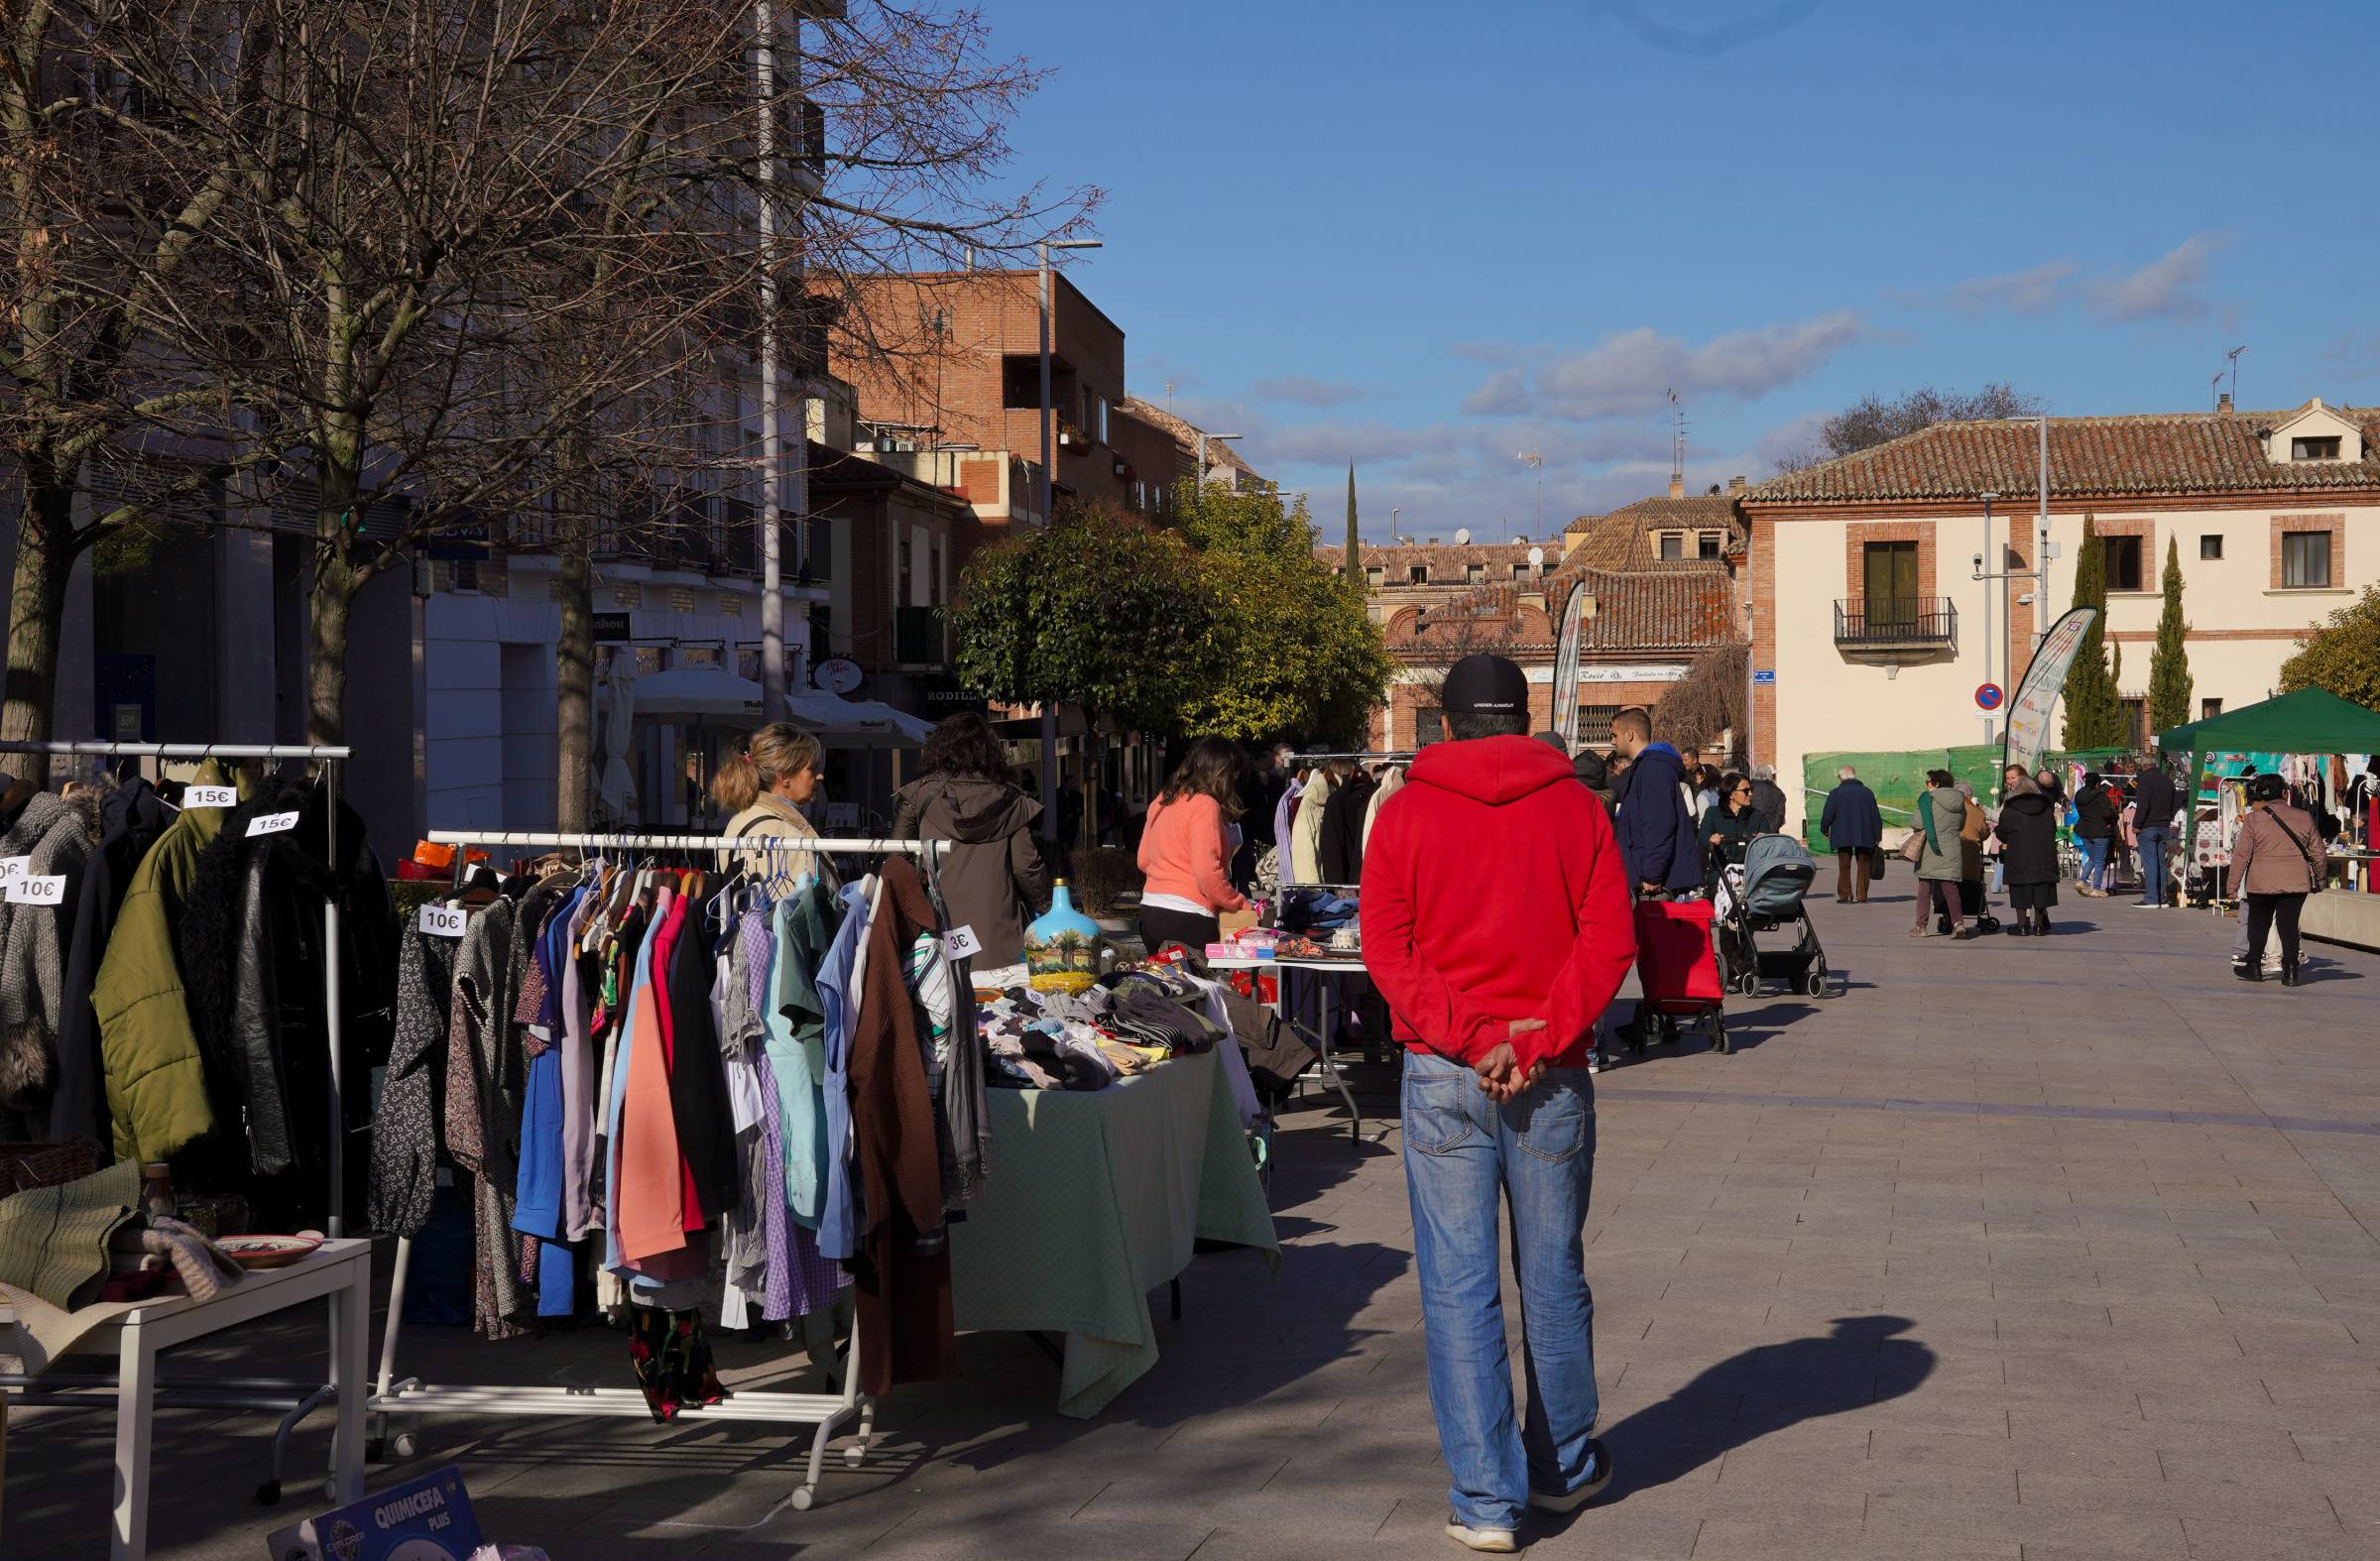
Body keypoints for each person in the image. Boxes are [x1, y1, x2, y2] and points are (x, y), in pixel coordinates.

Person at [1361, 654, 1633, 1551]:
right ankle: (1558, 1468)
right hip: (1547, 1069)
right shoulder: (1580, 809)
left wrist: (1472, 1037)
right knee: (1553, 1275)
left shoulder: (1403, 815)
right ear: (1526, 719)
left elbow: (1387, 950)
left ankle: (1484, 1501)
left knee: (1458, 1285)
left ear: (1442, 724)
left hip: (1447, 1070)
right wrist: (1537, 1035)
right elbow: (1609, 943)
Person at [892, 712, 1050, 970]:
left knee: (941, 999)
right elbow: (1026, 865)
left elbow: (898, 858)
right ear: (989, 751)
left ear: (940, 750)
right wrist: (1046, 907)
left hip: (936, 922)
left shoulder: (918, 796)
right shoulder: (1011, 801)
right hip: (998, 928)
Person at [1136, 737, 1249, 954]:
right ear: (1221, 774)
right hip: (1189, 915)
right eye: (1233, 776)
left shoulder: (1162, 801)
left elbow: (1143, 859)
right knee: (1201, 985)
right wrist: (1237, 902)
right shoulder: (1205, 805)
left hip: (1151, 911)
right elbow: (1207, 872)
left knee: (1168, 985)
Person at [2230, 773, 2321, 986]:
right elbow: (2318, 852)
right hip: (2296, 881)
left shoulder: (2253, 819)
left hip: (2261, 881)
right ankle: (2291, 971)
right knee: (2288, 925)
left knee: (2258, 923)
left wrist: (2232, 885)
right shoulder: (2304, 817)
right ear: (2284, 793)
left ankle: (2254, 967)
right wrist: (2321, 878)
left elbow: (2242, 854)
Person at [714, 722, 824, 883]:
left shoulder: (748, 818)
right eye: (812, 769)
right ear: (784, 776)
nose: (819, 776)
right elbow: (790, 904)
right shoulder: (777, 832)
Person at [1609, 709, 1701, 898]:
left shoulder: (1653, 768)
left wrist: (1652, 874)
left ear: (1629, 734)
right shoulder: (1645, 766)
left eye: (1614, 735)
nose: (1612, 741)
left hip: (1653, 883)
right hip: (1645, 876)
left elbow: (1659, 824)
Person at [1993, 771, 2061, 936]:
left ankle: (2022, 925)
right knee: (2041, 887)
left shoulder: (2010, 809)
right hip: (2044, 854)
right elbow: (2053, 830)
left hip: (2019, 854)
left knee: (2020, 888)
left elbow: (2002, 833)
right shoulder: (2046, 808)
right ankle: (2038, 925)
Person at [1913, 769, 1972, 939]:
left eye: (1928, 782)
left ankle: (1921, 927)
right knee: (1950, 888)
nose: (1927, 785)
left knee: (1925, 887)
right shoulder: (1960, 800)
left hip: (1930, 849)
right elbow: (1960, 825)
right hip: (1951, 848)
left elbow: (1916, 823)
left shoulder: (1928, 800)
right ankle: (1958, 923)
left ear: (1936, 783)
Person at [1819, 766, 1882, 902]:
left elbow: (1828, 814)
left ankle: (1846, 894)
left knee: (1844, 865)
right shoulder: (1867, 792)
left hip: (1842, 833)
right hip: (1864, 833)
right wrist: (1877, 836)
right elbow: (1875, 816)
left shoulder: (1836, 793)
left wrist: (1824, 829)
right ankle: (1862, 895)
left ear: (1841, 777)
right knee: (1864, 864)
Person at [2131, 760, 2180, 908]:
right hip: (2163, 826)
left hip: (2148, 827)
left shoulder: (2144, 780)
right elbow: (2176, 802)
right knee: (2160, 863)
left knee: (2150, 863)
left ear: (2143, 766)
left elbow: (2143, 805)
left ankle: (2151, 899)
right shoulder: (2168, 780)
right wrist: (2168, 817)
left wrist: (2136, 824)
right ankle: (2161, 898)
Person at [1700, 771, 1760, 891]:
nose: (1751, 794)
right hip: (1721, 872)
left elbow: (1769, 839)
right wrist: (1711, 838)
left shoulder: (1757, 815)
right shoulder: (1713, 813)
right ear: (1731, 794)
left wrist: (1764, 838)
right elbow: (1702, 837)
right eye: (1746, 791)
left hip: (1750, 873)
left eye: (1751, 789)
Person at [2073, 772, 2117, 897]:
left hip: (2084, 830)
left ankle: (2082, 881)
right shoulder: (2100, 796)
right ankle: (2096, 888)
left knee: (2092, 857)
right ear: (2098, 784)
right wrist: (2115, 817)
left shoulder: (2079, 794)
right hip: (2099, 831)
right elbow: (2107, 813)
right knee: (2099, 861)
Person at [1747, 765, 1788, 836]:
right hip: (1771, 834)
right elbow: (1780, 815)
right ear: (1770, 775)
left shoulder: (1747, 789)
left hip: (1750, 832)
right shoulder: (1778, 791)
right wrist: (1770, 831)